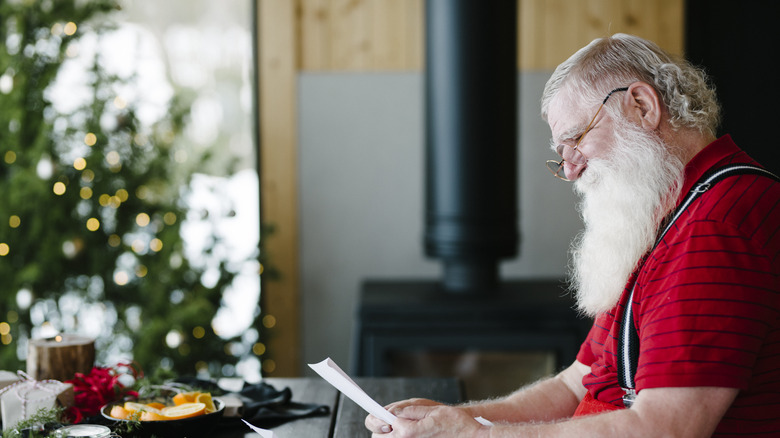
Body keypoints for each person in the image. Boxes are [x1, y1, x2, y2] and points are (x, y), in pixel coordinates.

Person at [365, 33, 780, 437]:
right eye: (561, 153)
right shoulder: (663, 216)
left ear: (642, 105)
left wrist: (474, 436)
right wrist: (454, 421)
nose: (569, 170)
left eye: (576, 139)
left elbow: (664, 429)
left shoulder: (715, 228)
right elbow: (575, 384)